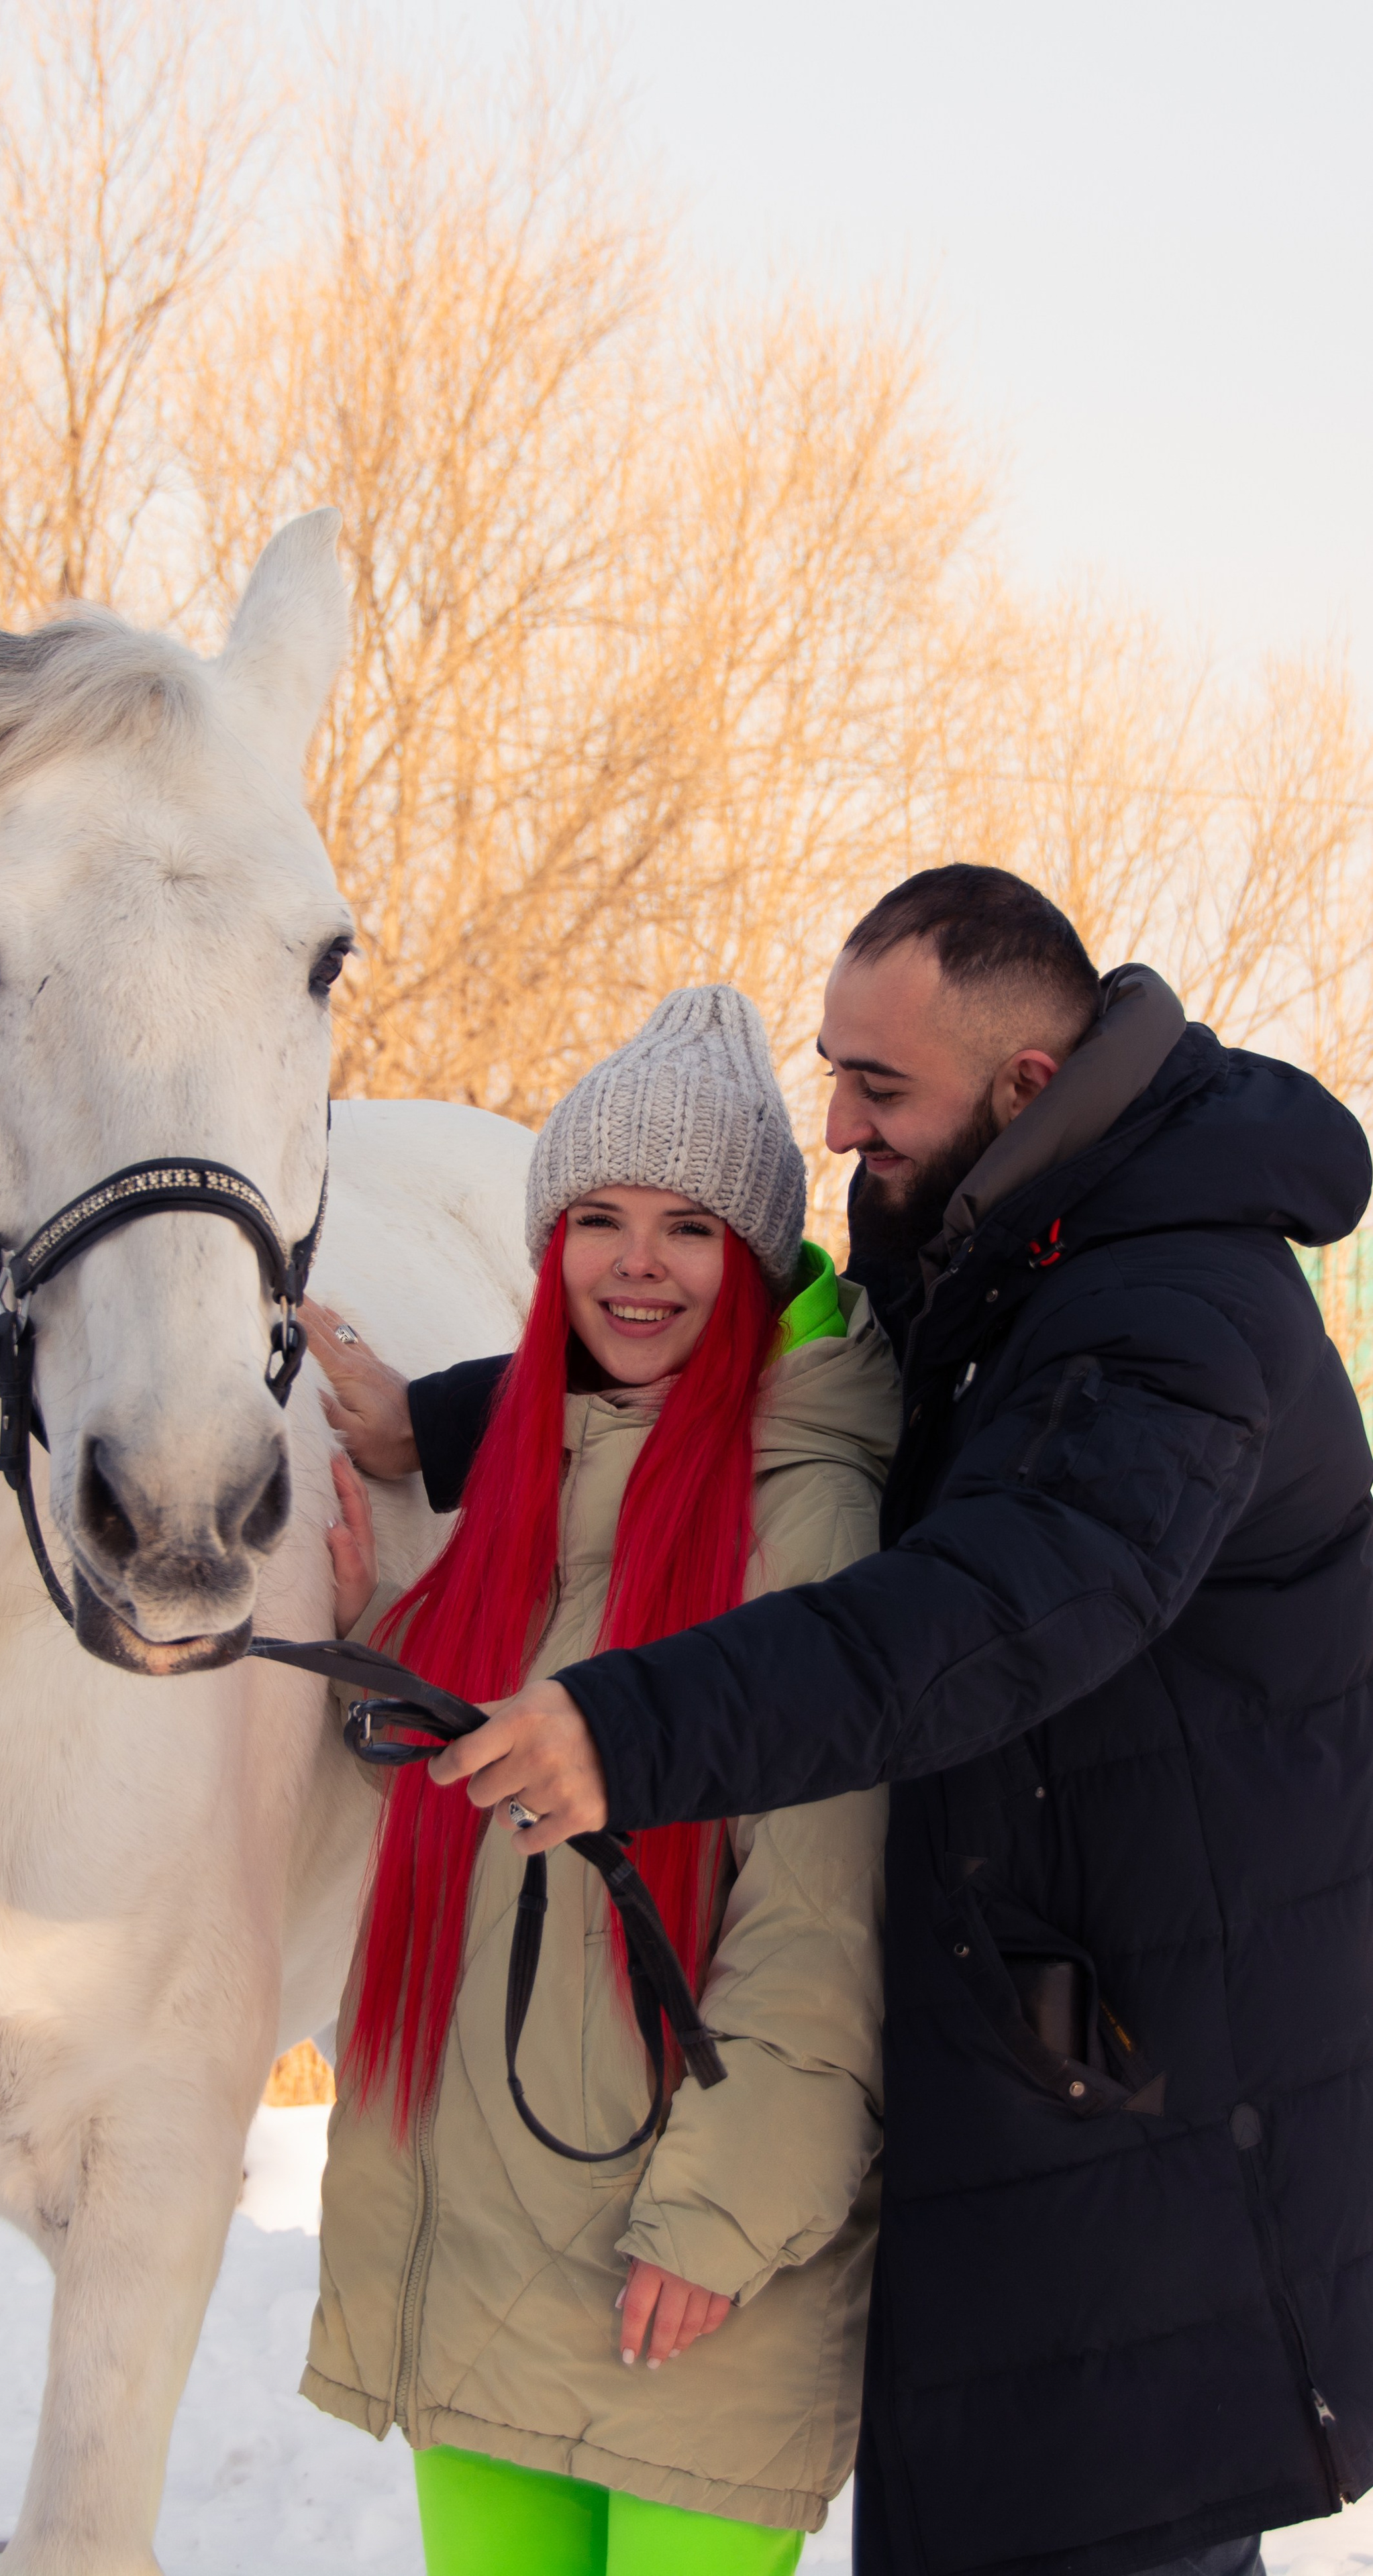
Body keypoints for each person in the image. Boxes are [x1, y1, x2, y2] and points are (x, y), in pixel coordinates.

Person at [311, 867, 1373, 2576]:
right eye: (834, 1071)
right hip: (1043, 2053)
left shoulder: (1177, 1314)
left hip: (1168, 2097)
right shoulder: (1009, 1239)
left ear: (1020, 1087)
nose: (839, 1122)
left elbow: (991, 1606)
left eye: (876, 1087)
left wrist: (630, 1722)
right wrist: (453, 1425)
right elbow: (745, 1346)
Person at [301, 985, 903, 2576]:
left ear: (759, 1260)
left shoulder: (804, 1516)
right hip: (483, 2219)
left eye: (690, 1228)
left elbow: (818, 1917)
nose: (636, 1266)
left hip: (687, 2256)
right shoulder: (531, 1481)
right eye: (598, 1220)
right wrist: (374, 1642)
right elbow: (496, 1831)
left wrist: (719, 2224)